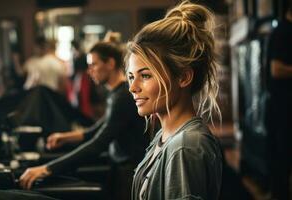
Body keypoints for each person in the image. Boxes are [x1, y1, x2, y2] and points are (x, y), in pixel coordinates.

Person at [19, 42, 147, 199]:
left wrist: (47, 169)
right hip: (119, 168)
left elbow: (99, 143)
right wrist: (65, 137)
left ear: (110, 64)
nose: (90, 70)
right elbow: (95, 131)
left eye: (94, 64)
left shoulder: (122, 97)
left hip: (129, 173)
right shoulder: (115, 94)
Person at [126, 1, 222, 199]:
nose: (132, 87)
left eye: (145, 76)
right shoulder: (165, 136)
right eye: (130, 76)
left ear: (184, 77)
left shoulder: (185, 146)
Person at [266, 3, 292, 200]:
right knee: (282, 156)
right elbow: (276, 69)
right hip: (282, 107)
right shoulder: (283, 31)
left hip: (284, 106)